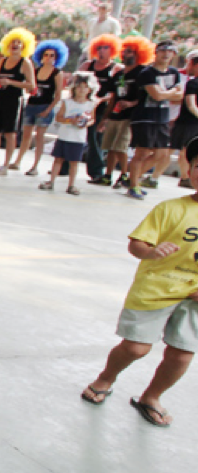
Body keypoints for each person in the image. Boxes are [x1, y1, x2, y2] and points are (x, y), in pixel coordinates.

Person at [81, 137, 198, 427]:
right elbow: (136, 245)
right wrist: (151, 251)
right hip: (155, 291)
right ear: (189, 169)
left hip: (194, 300)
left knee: (182, 356)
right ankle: (105, 378)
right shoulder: (171, 209)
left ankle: (152, 396)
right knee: (136, 348)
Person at [125, 40, 184, 199]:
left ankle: (133, 179)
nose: (166, 54)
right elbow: (156, 95)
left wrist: (167, 93)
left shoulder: (174, 72)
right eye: (163, 50)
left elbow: (180, 96)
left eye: (170, 51)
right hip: (145, 117)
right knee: (142, 152)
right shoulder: (147, 73)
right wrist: (171, 92)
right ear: (156, 52)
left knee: (161, 154)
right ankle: (133, 185)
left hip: (162, 118)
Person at [0, 28, 36, 175]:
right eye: (13, 42)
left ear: (24, 46)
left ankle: (5, 165)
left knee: (10, 133)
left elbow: (31, 85)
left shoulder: (25, 63)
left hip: (13, 99)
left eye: (19, 42)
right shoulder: (3, 61)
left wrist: (11, 82)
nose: (15, 45)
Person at [100, 35, 153, 190]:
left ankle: (123, 175)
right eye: (124, 51)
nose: (125, 54)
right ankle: (107, 175)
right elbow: (113, 97)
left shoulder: (143, 72)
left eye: (129, 51)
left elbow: (146, 96)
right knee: (110, 146)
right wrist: (105, 117)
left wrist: (130, 103)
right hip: (115, 115)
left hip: (131, 117)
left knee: (120, 147)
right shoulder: (119, 74)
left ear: (139, 54)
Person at [13, 38, 68, 175]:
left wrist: (48, 110)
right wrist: (30, 90)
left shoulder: (57, 73)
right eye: (46, 54)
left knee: (39, 137)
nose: (48, 58)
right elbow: (28, 88)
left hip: (45, 106)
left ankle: (35, 166)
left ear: (57, 57)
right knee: (26, 135)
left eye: (52, 55)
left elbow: (58, 95)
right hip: (32, 104)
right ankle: (18, 161)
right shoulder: (35, 71)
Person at [38, 72, 97, 195]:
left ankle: (71, 185)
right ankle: (51, 181)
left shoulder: (90, 104)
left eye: (85, 87)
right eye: (79, 86)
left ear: (90, 89)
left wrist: (85, 123)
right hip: (64, 136)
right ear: (74, 88)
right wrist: (70, 120)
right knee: (58, 159)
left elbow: (92, 119)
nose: (81, 90)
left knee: (74, 162)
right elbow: (59, 117)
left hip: (78, 138)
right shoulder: (67, 102)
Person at [81, 34, 123, 185]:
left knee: (95, 140)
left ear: (112, 50)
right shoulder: (87, 65)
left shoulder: (116, 68)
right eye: (99, 48)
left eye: (105, 48)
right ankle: (65, 166)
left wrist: (101, 101)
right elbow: (76, 81)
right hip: (84, 106)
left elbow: (114, 94)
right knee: (74, 135)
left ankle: (97, 172)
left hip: (102, 109)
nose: (102, 51)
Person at [170, 50, 198, 188]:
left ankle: (186, 177)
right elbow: (191, 105)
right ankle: (185, 177)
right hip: (187, 122)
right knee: (181, 150)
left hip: (191, 122)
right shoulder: (192, 83)